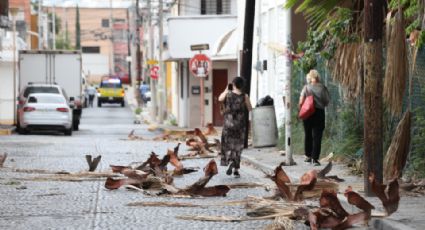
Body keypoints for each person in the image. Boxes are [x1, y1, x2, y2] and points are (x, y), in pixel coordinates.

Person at [218, 77, 252, 177]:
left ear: (233, 84)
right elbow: (250, 108)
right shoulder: (244, 96)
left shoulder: (228, 94)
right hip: (240, 125)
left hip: (228, 124)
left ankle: (230, 160)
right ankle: (236, 169)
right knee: (238, 146)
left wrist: (226, 89)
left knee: (228, 145)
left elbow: (220, 98)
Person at [298, 69, 330, 166]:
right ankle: (314, 159)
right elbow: (326, 101)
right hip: (319, 113)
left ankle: (308, 156)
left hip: (307, 113)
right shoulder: (323, 88)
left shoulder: (306, 88)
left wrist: (302, 109)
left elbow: (300, 102)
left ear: (309, 78)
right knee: (317, 136)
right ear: (318, 77)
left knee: (308, 134)